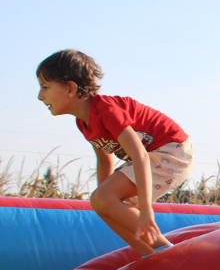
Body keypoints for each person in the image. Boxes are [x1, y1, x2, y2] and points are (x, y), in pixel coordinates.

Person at [36, 49, 194, 257]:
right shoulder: (84, 122)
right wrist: (102, 202)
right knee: (102, 202)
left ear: (70, 88)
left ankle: (165, 250)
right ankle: (146, 253)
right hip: (156, 156)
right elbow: (104, 161)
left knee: (104, 198)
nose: (40, 97)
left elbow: (140, 156)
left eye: (45, 87)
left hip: (172, 151)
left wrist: (146, 210)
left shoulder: (106, 111)